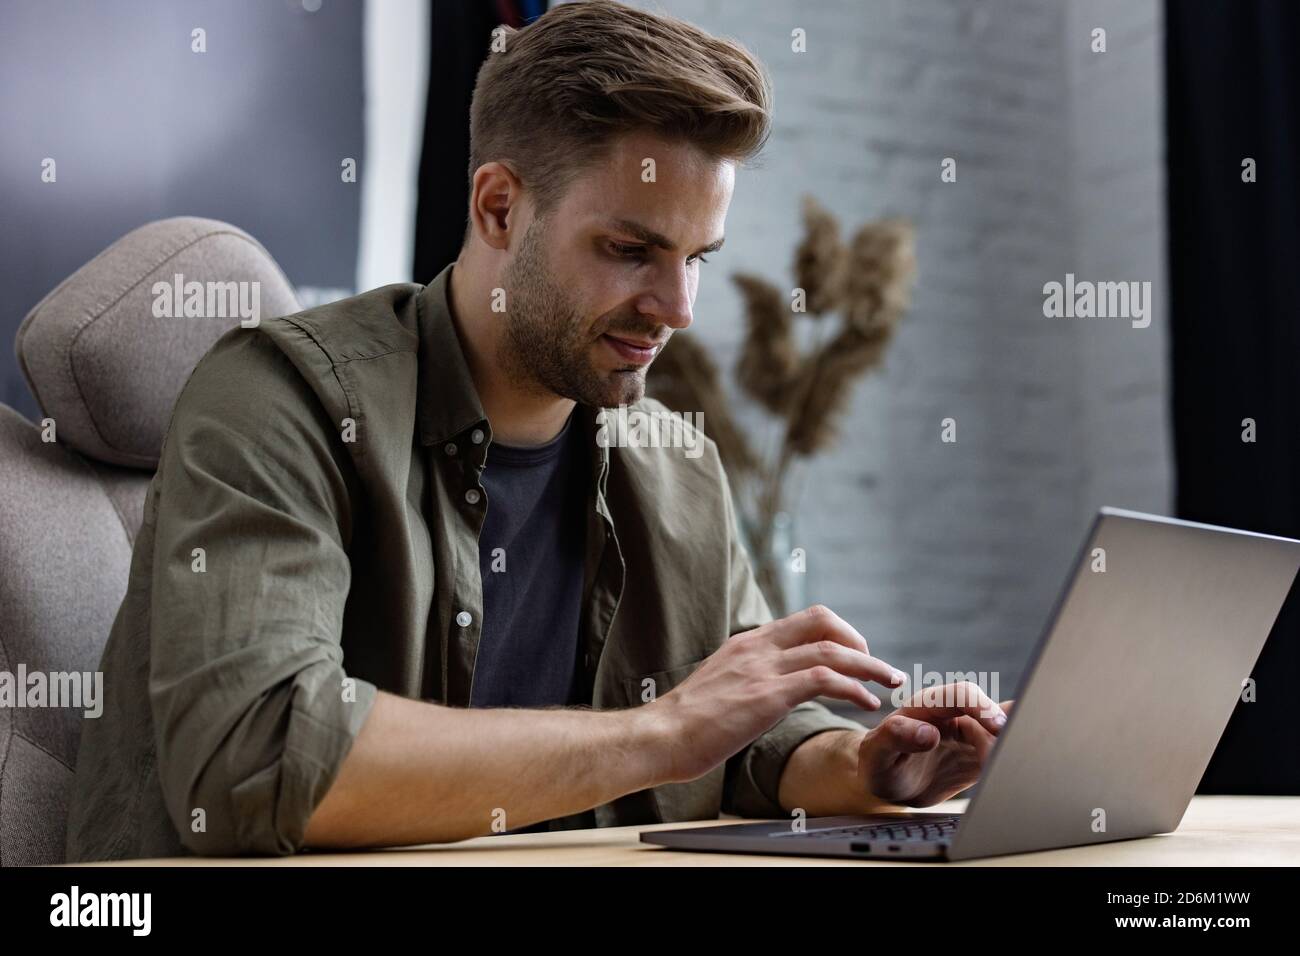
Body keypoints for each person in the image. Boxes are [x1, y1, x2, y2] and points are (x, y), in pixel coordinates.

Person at [65, 0, 1009, 861]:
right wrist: (661, 734)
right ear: (500, 208)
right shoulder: (281, 402)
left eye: (698, 260)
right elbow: (256, 760)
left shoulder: (672, 466)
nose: (677, 308)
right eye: (631, 250)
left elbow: (750, 739)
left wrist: (868, 767)